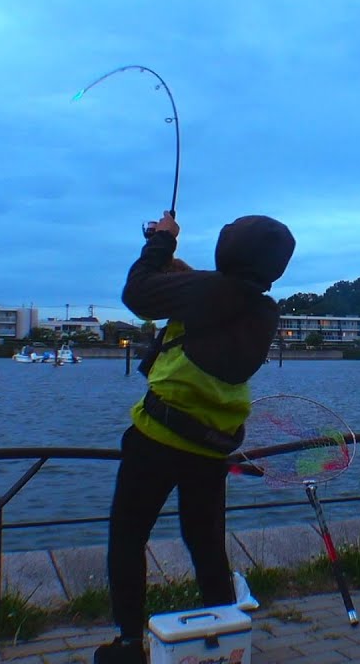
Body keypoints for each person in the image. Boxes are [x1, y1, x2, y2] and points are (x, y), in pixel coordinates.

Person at [95, 211, 295, 664]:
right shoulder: (262, 310)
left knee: (128, 537)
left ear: (229, 248)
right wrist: (177, 267)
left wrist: (161, 241)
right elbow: (210, 296)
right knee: (206, 544)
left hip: (158, 436)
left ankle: (128, 644)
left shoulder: (207, 291)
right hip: (213, 445)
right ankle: (223, 638)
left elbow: (137, 293)